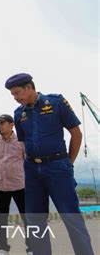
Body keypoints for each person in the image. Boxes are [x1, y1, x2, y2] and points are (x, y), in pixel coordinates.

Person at [5, 73, 94, 255]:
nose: (15, 98)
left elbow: (76, 133)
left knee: (71, 217)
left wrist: (68, 163)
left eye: (17, 92)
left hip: (57, 167)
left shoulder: (56, 102)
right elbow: (24, 142)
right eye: (12, 95)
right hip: (31, 170)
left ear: (29, 87)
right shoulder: (18, 114)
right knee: (35, 221)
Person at [0, 115, 31, 254]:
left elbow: (27, 161)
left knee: (26, 217)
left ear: (12, 125)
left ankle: (30, 247)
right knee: (2, 218)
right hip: (0, 185)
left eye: (2, 123)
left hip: (20, 184)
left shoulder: (21, 140)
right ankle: (3, 247)